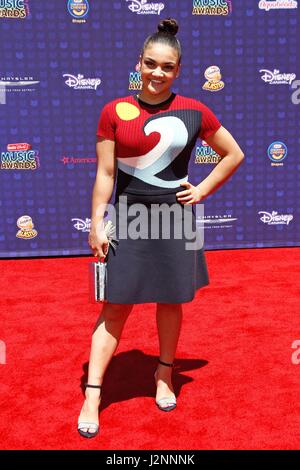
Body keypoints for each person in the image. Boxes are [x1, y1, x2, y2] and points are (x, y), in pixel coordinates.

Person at [78, 18, 244, 438]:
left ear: (178, 70)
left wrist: (202, 189)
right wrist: (98, 224)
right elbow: (104, 175)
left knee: (171, 301)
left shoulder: (193, 110)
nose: (157, 73)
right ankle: (93, 393)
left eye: (166, 67)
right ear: (139, 63)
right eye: (150, 64)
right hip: (129, 218)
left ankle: (164, 374)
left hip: (175, 218)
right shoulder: (113, 111)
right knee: (115, 306)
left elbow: (233, 153)